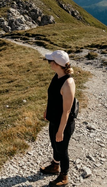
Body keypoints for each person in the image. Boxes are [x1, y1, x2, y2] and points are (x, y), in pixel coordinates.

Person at [40, 50, 76, 186]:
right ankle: (55, 166)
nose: (49, 63)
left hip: (64, 123)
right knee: (55, 145)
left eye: (50, 61)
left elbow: (66, 111)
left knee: (62, 149)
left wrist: (60, 131)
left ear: (56, 64)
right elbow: (53, 98)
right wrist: (47, 111)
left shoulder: (68, 83)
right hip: (54, 119)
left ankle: (64, 176)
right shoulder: (57, 76)